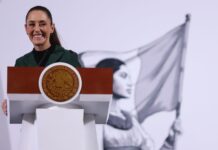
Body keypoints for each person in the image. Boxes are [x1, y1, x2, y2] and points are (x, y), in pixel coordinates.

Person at [1, 5, 81, 115]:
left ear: (52, 27)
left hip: (65, 124)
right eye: (32, 24)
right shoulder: (21, 64)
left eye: (42, 24)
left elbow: (82, 97)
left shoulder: (69, 58)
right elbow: (18, 102)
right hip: (33, 128)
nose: (37, 29)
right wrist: (10, 105)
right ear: (26, 28)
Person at [96, 58, 154, 150]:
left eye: (129, 78)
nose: (130, 83)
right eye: (123, 76)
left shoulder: (131, 120)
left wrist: (169, 140)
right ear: (106, 78)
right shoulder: (95, 118)